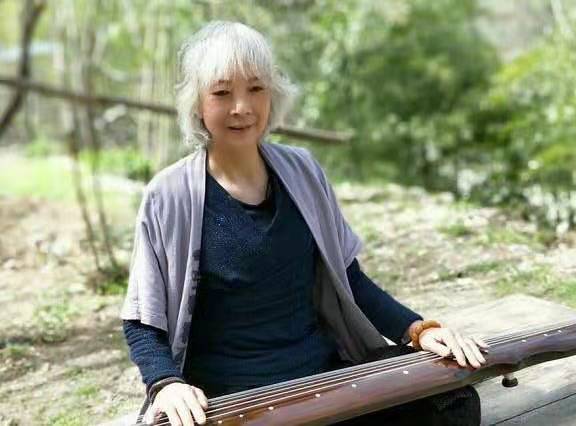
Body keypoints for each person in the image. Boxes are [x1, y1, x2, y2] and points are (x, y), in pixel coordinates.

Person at [121, 21, 487, 426]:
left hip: (323, 383)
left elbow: (350, 280)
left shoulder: (303, 171)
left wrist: (418, 330)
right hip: (233, 405)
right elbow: (141, 320)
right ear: (197, 104)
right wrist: (166, 383)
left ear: (272, 94)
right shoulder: (169, 196)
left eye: (255, 89)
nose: (241, 107)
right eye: (222, 93)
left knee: (451, 399)